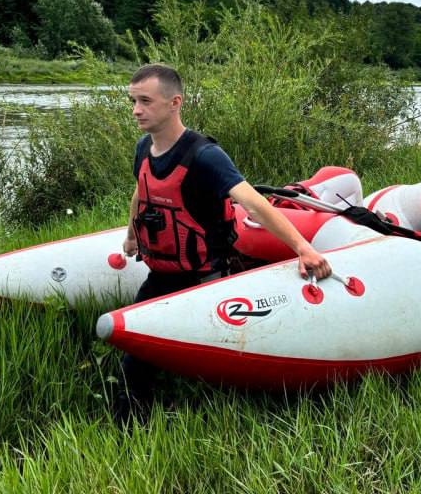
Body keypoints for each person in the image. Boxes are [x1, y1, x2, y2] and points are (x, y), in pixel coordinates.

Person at [116, 63, 332, 423]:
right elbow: (142, 191)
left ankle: (237, 411)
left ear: (174, 103)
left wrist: (303, 248)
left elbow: (255, 204)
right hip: (162, 272)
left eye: (145, 101)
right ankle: (130, 426)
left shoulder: (204, 156)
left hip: (205, 278)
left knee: (213, 361)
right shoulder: (143, 147)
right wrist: (130, 235)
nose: (136, 110)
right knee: (132, 358)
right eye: (133, 101)